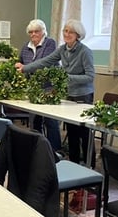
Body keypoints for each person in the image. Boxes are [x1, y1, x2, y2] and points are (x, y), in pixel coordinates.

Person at [16, 19, 95, 167]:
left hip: (83, 95)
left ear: (78, 35)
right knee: (72, 131)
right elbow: (45, 61)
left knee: (84, 133)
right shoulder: (62, 49)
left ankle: (90, 164)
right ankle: (74, 164)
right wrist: (25, 68)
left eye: (71, 32)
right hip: (69, 93)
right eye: (65, 31)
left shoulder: (85, 52)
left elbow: (90, 77)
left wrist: (66, 77)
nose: (67, 34)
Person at [15, 19, 62, 151]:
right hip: (33, 89)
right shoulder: (26, 46)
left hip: (49, 87)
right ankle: (38, 149)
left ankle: (55, 151)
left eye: (36, 31)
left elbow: (44, 63)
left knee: (50, 121)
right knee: (35, 121)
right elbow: (20, 61)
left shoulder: (50, 43)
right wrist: (17, 65)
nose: (33, 34)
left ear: (43, 32)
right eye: (31, 32)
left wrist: (25, 67)